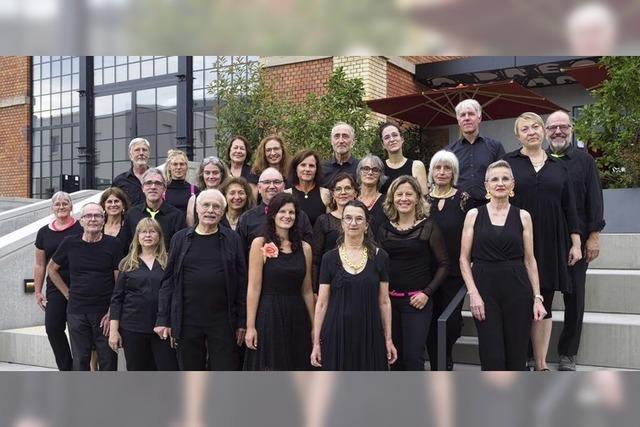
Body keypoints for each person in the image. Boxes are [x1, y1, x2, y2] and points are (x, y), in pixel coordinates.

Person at [502, 112, 581, 371]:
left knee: (543, 301)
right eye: (525, 128)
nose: (532, 131)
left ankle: (540, 361)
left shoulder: (559, 167)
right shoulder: (507, 163)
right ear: (518, 135)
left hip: (551, 241)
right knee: (519, 298)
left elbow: (570, 207)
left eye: (536, 126)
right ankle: (521, 355)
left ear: (543, 131)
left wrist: (576, 242)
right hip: (516, 240)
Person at [459, 160, 547, 370]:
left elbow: (529, 259)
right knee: (492, 356)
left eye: (505, 178)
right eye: (495, 179)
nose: (500, 183)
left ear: (512, 184)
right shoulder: (474, 215)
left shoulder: (523, 216)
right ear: (486, 185)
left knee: (516, 354)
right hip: (485, 289)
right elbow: (463, 258)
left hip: (517, 289)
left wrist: (537, 298)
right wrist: (474, 294)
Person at [155, 189, 247, 371]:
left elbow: (242, 282)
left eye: (216, 207)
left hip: (223, 320)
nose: (210, 210)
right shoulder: (180, 239)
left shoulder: (233, 239)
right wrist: (163, 318)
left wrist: (242, 321)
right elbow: (168, 282)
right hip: (188, 320)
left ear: (223, 212)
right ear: (197, 209)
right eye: (206, 205)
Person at [545, 110, 605, 371]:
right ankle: (530, 349)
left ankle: (568, 353)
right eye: (552, 128)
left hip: (577, 242)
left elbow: (595, 199)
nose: (558, 132)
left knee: (575, 298)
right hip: (545, 242)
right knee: (540, 297)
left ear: (571, 128)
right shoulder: (538, 160)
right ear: (546, 131)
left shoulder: (585, 161)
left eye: (563, 126)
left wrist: (593, 236)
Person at [311, 200, 398, 370]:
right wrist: (316, 343)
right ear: (342, 223)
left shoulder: (381, 257)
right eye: (348, 218)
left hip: (370, 332)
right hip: (336, 333)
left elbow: (384, 302)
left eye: (359, 219)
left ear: (367, 225)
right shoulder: (329, 258)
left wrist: (388, 339)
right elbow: (321, 304)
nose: (353, 223)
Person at [377, 175, 449, 370]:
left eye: (409, 194)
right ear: (392, 198)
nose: (404, 198)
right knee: (394, 358)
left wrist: (427, 293)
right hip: (389, 303)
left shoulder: (428, 227)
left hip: (417, 303)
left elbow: (444, 264)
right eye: (399, 194)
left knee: (413, 357)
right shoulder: (383, 230)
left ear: (418, 198)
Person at [47, 202, 124, 371]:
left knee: (108, 359)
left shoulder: (114, 244)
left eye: (97, 216)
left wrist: (112, 312)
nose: (93, 219)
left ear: (103, 221)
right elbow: (51, 269)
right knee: (80, 359)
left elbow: (120, 282)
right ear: (81, 221)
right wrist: (67, 293)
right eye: (88, 216)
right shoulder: (70, 243)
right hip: (76, 312)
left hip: (104, 313)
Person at [244, 193, 315, 370]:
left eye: (291, 212)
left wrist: (315, 326)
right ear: (273, 214)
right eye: (282, 211)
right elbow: (253, 288)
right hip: (269, 315)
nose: (287, 216)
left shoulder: (305, 248)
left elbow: (307, 289)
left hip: (297, 315)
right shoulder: (259, 243)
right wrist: (250, 326)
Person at [108, 218, 178, 370]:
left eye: (152, 231)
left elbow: (175, 297)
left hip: (163, 329)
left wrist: (174, 326)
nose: (148, 235)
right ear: (137, 237)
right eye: (143, 232)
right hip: (133, 329)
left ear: (159, 236)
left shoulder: (169, 262)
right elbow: (117, 300)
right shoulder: (127, 264)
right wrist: (114, 331)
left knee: (168, 371)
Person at [425, 150, 472, 371]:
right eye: (438, 168)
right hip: (426, 273)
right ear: (431, 172)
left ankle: (446, 356)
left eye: (447, 168)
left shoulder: (463, 199)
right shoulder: (422, 200)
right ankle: (439, 366)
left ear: (454, 173)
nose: (442, 172)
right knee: (430, 322)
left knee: (451, 323)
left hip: (454, 273)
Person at [33, 191, 83, 371]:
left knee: (79, 330)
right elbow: (40, 264)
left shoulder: (81, 227)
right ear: (52, 207)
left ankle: (83, 369)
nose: (61, 207)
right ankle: (67, 369)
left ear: (71, 206)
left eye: (65, 203)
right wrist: (38, 291)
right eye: (57, 204)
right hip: (55, 286)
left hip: (81, 283)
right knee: (53, 328)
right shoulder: (44, 233)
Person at [237, 167, 313, 257]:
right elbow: (239, 255)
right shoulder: (247, 219)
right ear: (259, 188)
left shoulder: (299, 216)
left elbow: (309, 249)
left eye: (277, 182)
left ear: (284, 186)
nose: (272, 186)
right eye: (267, 182)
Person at [446, 99, 505, 206]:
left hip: (489, 205)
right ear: (458, 121)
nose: (467, 118)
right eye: (463, 115)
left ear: (479, 118)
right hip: (457, 206)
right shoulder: (449, 152)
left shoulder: (495, 146)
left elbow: (504, 176)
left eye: (471, 114)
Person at [312, 173, 358, 294]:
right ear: (333, 195)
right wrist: (315, 291)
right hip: (329, 283)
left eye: (347, 188)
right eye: (338, 189)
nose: (343, 192)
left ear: (355, 193)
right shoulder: (323, 221)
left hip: (358, 280)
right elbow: (315, 259)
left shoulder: (364, 219)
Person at [122, 168, 186, 252]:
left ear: (164, 188)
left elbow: (180, 248)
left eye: (158, 183)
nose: (153, 187)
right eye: (148, 183)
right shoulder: (132, 214)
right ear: (143, 188)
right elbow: (126, 246)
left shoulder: (176, 216)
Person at [378, 123, 428, 195]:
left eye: (395, 135)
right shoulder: (379, 168)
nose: (392, 139)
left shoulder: (417, 166)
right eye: (387, 137)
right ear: (383, 145)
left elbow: (424, 199)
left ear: (402, 139)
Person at [285, 149, 331, 226]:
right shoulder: (286, 194)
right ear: (296, 168)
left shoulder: (325, 194)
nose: (307, 169)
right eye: (303, 165)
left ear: (316, 170)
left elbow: (329, 226)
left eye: (311, 166)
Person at [186, 156, 230, 227]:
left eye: (215, 173)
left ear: (222, 175)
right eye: (207, 173)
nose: (211, 176)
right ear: (202, 175)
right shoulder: (193, 199)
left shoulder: (229, 197)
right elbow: (190, 227)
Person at [112, 137, 151, 206]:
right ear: (130, 155)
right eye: (137, 150)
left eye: (144, 150)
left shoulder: (158, 179)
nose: (141, 153)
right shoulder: (119, 181)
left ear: (149, 154)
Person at [356, 155, 388, 234]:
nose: (370, 173)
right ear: (359, 172)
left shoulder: (387, 202)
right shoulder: (351, 200)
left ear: (380, 175)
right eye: (366, 169)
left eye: (375, 170)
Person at [322, 122, 360, 186]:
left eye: (345, 136)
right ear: (331, 141)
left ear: (353, 142)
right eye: (336, 136)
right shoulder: (322, 168)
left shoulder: (361, 168)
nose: (341, 141)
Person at [163, 149, 198, 218]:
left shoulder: (194, 190)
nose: (178, 167)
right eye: (175, 164)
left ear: (186, 166)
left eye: (182, 164)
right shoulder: (163, 190)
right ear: (169, 167)